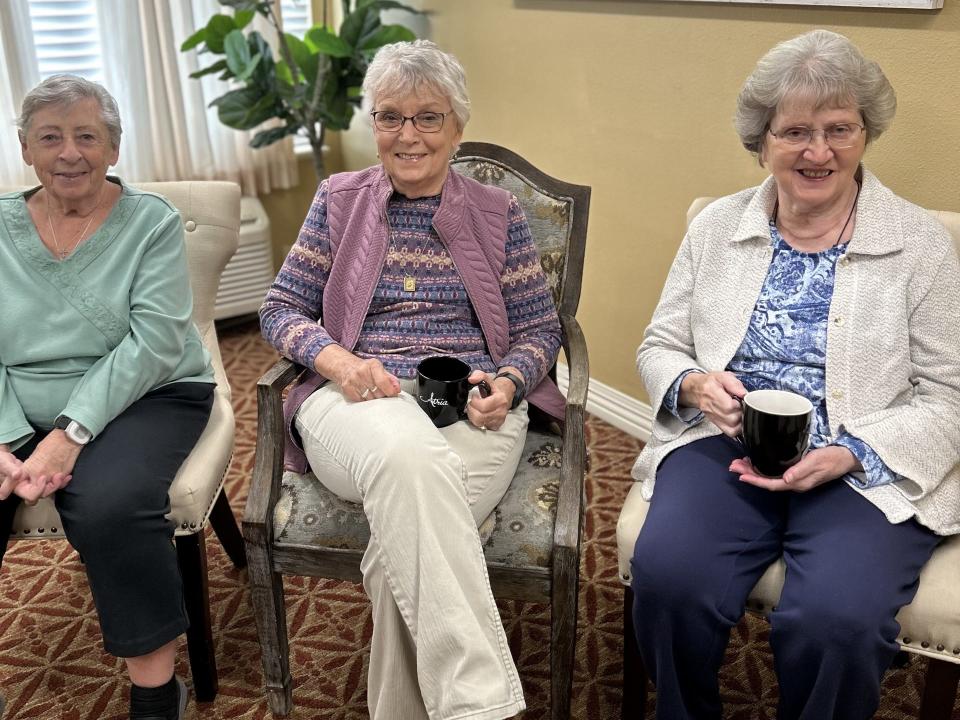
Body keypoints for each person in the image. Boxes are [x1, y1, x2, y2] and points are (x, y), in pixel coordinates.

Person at [629, 29, 960, 720]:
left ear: (866, 134)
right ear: (762, 141)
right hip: (725, 446)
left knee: (835, 621)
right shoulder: (716, 227)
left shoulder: (921, 243)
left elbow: (950, 396)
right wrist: (693, 383)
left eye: (840, 129)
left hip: (863, 461)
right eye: (796, 132)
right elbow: (661, 342)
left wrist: (851, 451)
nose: (819, 151)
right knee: (671, 581)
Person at [260, 39, 564, 720]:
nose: (408, 135)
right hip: (356, 402)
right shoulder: (338, 200)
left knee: (399, 548)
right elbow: (278, 309)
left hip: (471, 412)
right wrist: (339, 362)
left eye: (428, 117)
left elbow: (540, 331)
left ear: (457, 127)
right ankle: (480, 704)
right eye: (390, 116)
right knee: (406, 454)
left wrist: (510, 385)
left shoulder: (496, 213)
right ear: (373, 124)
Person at [0, 75, 216, 720]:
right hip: (19, 398)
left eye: (87, 136)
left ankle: (154, 690)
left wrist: (68, 433)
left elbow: (153, 343)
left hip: (151, 391)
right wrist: (4, 440)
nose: (70, 152)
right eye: (50, 137)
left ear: (113, 149)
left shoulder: (149, 221)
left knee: (111, 502)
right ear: (26, 149)